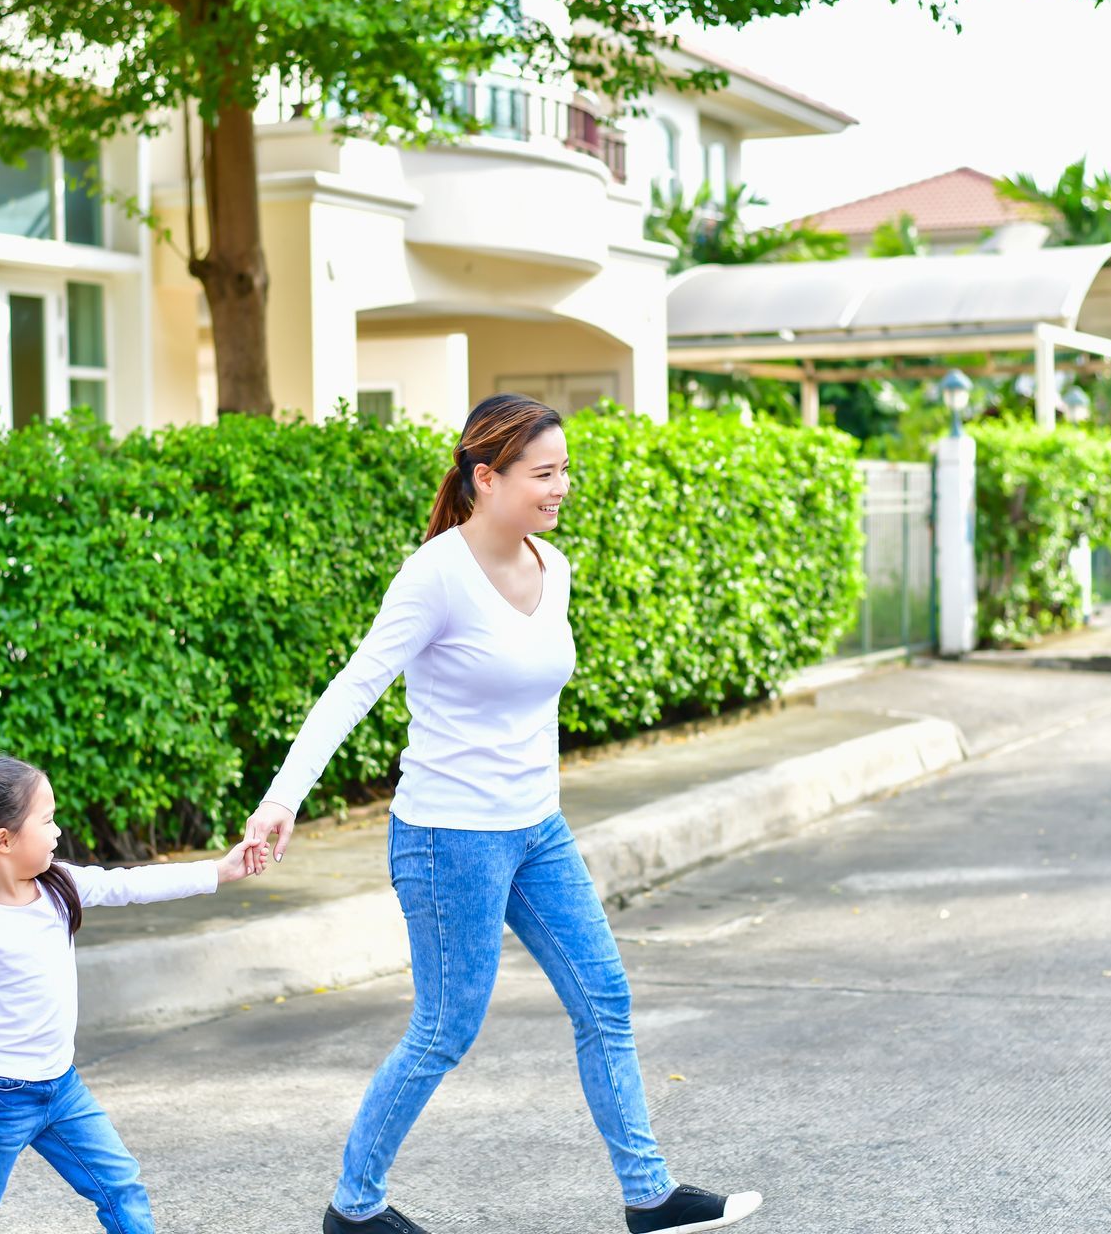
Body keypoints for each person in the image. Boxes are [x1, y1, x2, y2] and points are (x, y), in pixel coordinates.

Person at [243, 394, 764, 1234]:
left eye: (565, 471)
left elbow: (529, 703)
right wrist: (281, 798)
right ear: (485, 478)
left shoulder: (552, 569)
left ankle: (649, 1196)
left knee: (605, 1000)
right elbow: (356, 686)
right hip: (450, 838)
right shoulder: (436, 575)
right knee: (446, 1028)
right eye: (543, 473)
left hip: (537, 831)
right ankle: (354, 1206)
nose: (561, 488)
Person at [0, 754, 267, 1232]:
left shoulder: (60, 885)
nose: (58, 831)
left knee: (120, 1187)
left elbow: (133, 884)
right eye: (47, 819)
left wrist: (219, 871)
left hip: (61, 1088)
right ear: (3, 840)